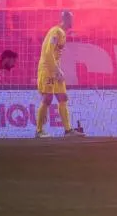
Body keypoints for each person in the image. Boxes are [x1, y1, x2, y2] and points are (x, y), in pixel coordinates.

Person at [35, 10, 85, 138]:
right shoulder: (56, 32)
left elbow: (55, 55)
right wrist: (57, 70)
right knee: (48, 98)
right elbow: (47, 53)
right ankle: (39, 131)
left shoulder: (62, 34)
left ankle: (68, 130)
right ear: (66, 19)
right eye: (71, 19)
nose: (72, 22)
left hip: (55, 69)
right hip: (47, 69)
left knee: (63, 97)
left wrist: (57, 69)